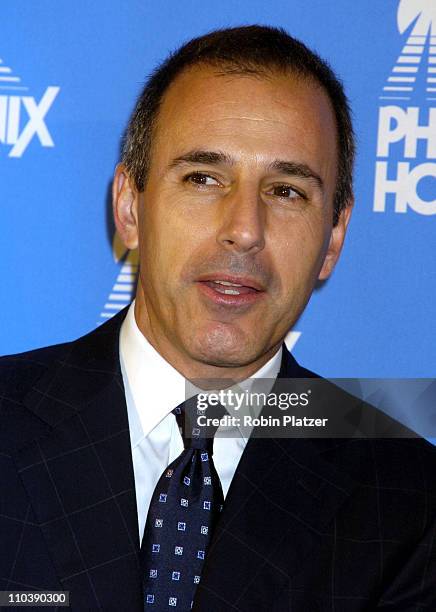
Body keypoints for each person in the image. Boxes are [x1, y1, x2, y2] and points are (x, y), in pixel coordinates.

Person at [1, 25, 435, 611]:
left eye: (286, 192)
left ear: (333, 238)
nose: (245, 230)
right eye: (203, 179)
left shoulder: (406, 500)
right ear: (130, 207)